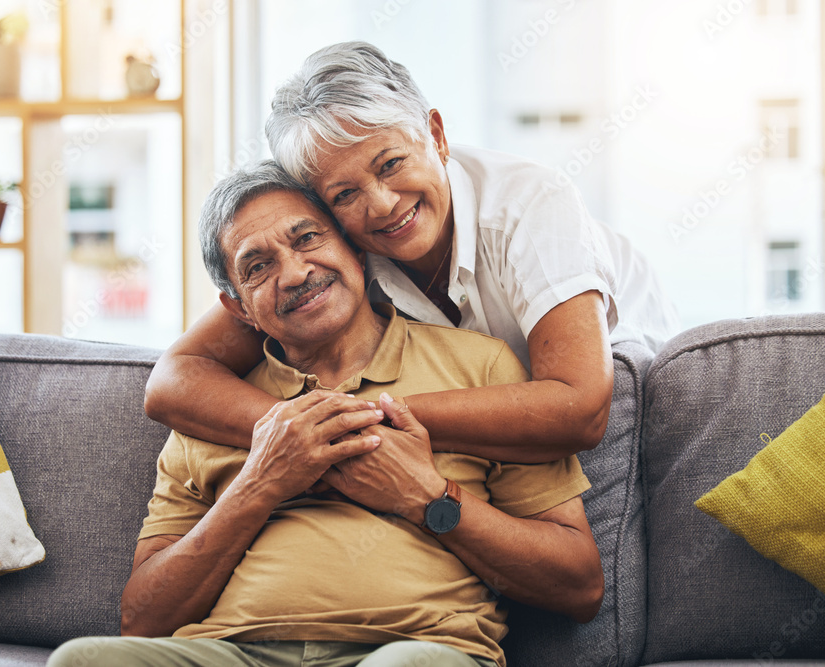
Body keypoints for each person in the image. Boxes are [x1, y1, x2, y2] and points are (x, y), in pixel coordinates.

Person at [47, 163, 603, 667]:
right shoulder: (213, 408)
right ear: (239, 308)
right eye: (258, 267)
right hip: (229, 653)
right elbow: (141, 620)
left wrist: (428, 497)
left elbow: (579, 586)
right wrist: (260, 483)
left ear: (358, 251)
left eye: (307, 238)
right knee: (82, 660)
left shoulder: (480, 367)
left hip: (409, 652)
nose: (293, 274)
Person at [145, 41, 679, 464]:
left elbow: (581, 408)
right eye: (345, 195)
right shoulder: (331, 251)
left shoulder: (531, 204)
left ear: (436, 134)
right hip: (476, 439)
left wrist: (358, 418)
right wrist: (302, 431)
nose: (381, 206)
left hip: (640, 416)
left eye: (391, 163)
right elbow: (174, 381)